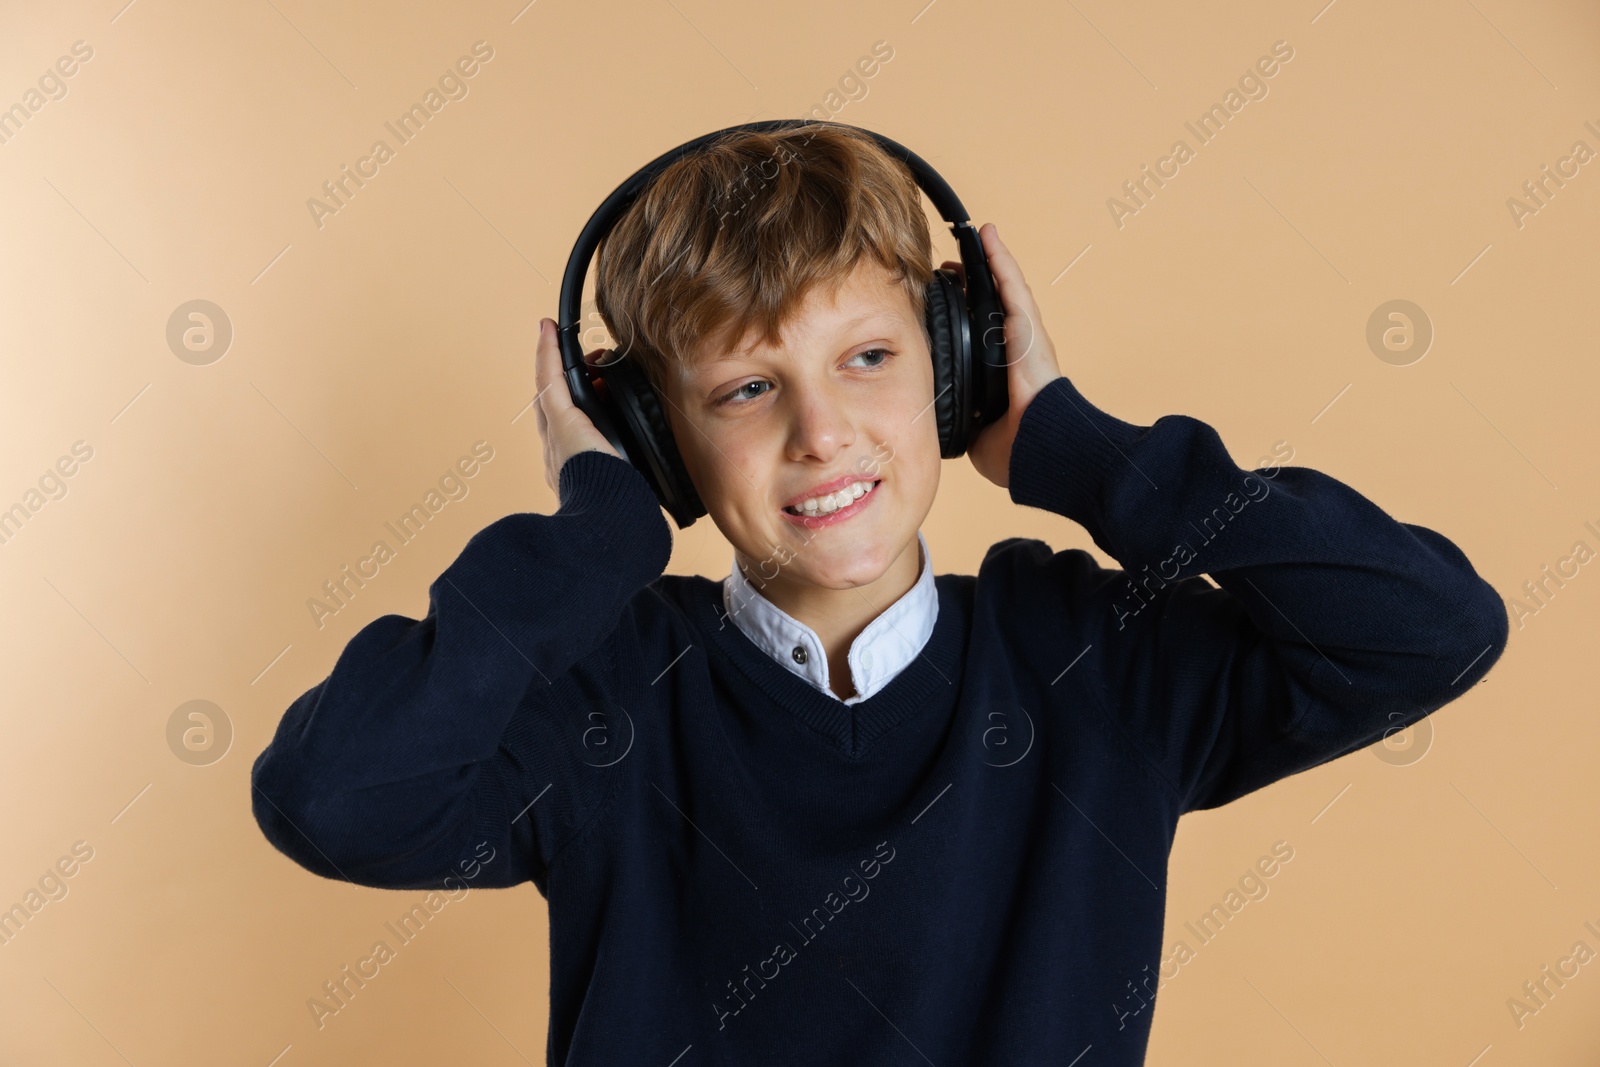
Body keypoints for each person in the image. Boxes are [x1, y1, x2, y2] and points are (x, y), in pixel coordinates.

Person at [251, 123, 1509, 1064]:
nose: (821, 429)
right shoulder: (607, 697)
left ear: (958, 365)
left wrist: (1082, 449)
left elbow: (1431, 629)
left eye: (869, 358)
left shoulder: (1093, 663)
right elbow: (332, 799)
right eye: (746, 388)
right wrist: (589, 541)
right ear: (651, 441)